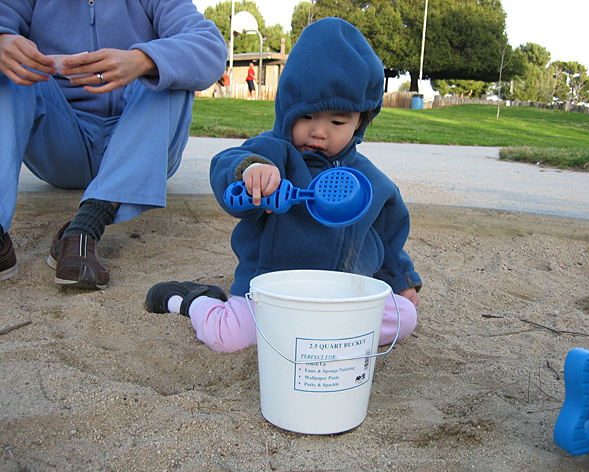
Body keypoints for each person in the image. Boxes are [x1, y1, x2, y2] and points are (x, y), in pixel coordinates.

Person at [145, 17, 422, 354]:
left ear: (361, 119)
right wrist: (250, 173)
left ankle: (319, 336)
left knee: (404, 317)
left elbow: (389, 240)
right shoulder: (274, 154)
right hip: (268, 296)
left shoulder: (372, 184)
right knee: (227, 337)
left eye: (337, 121)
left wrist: (401, 281)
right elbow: (226, 166)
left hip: (341, 300)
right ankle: (193, 301)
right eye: (306, 117)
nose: (319, 131)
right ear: (287, 109)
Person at [0, 0, 228, 289]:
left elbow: (211, 47)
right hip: (61, 144)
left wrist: (143, 60)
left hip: (142, 140)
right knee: (6, 69)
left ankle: (86, 227)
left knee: (167, 68)